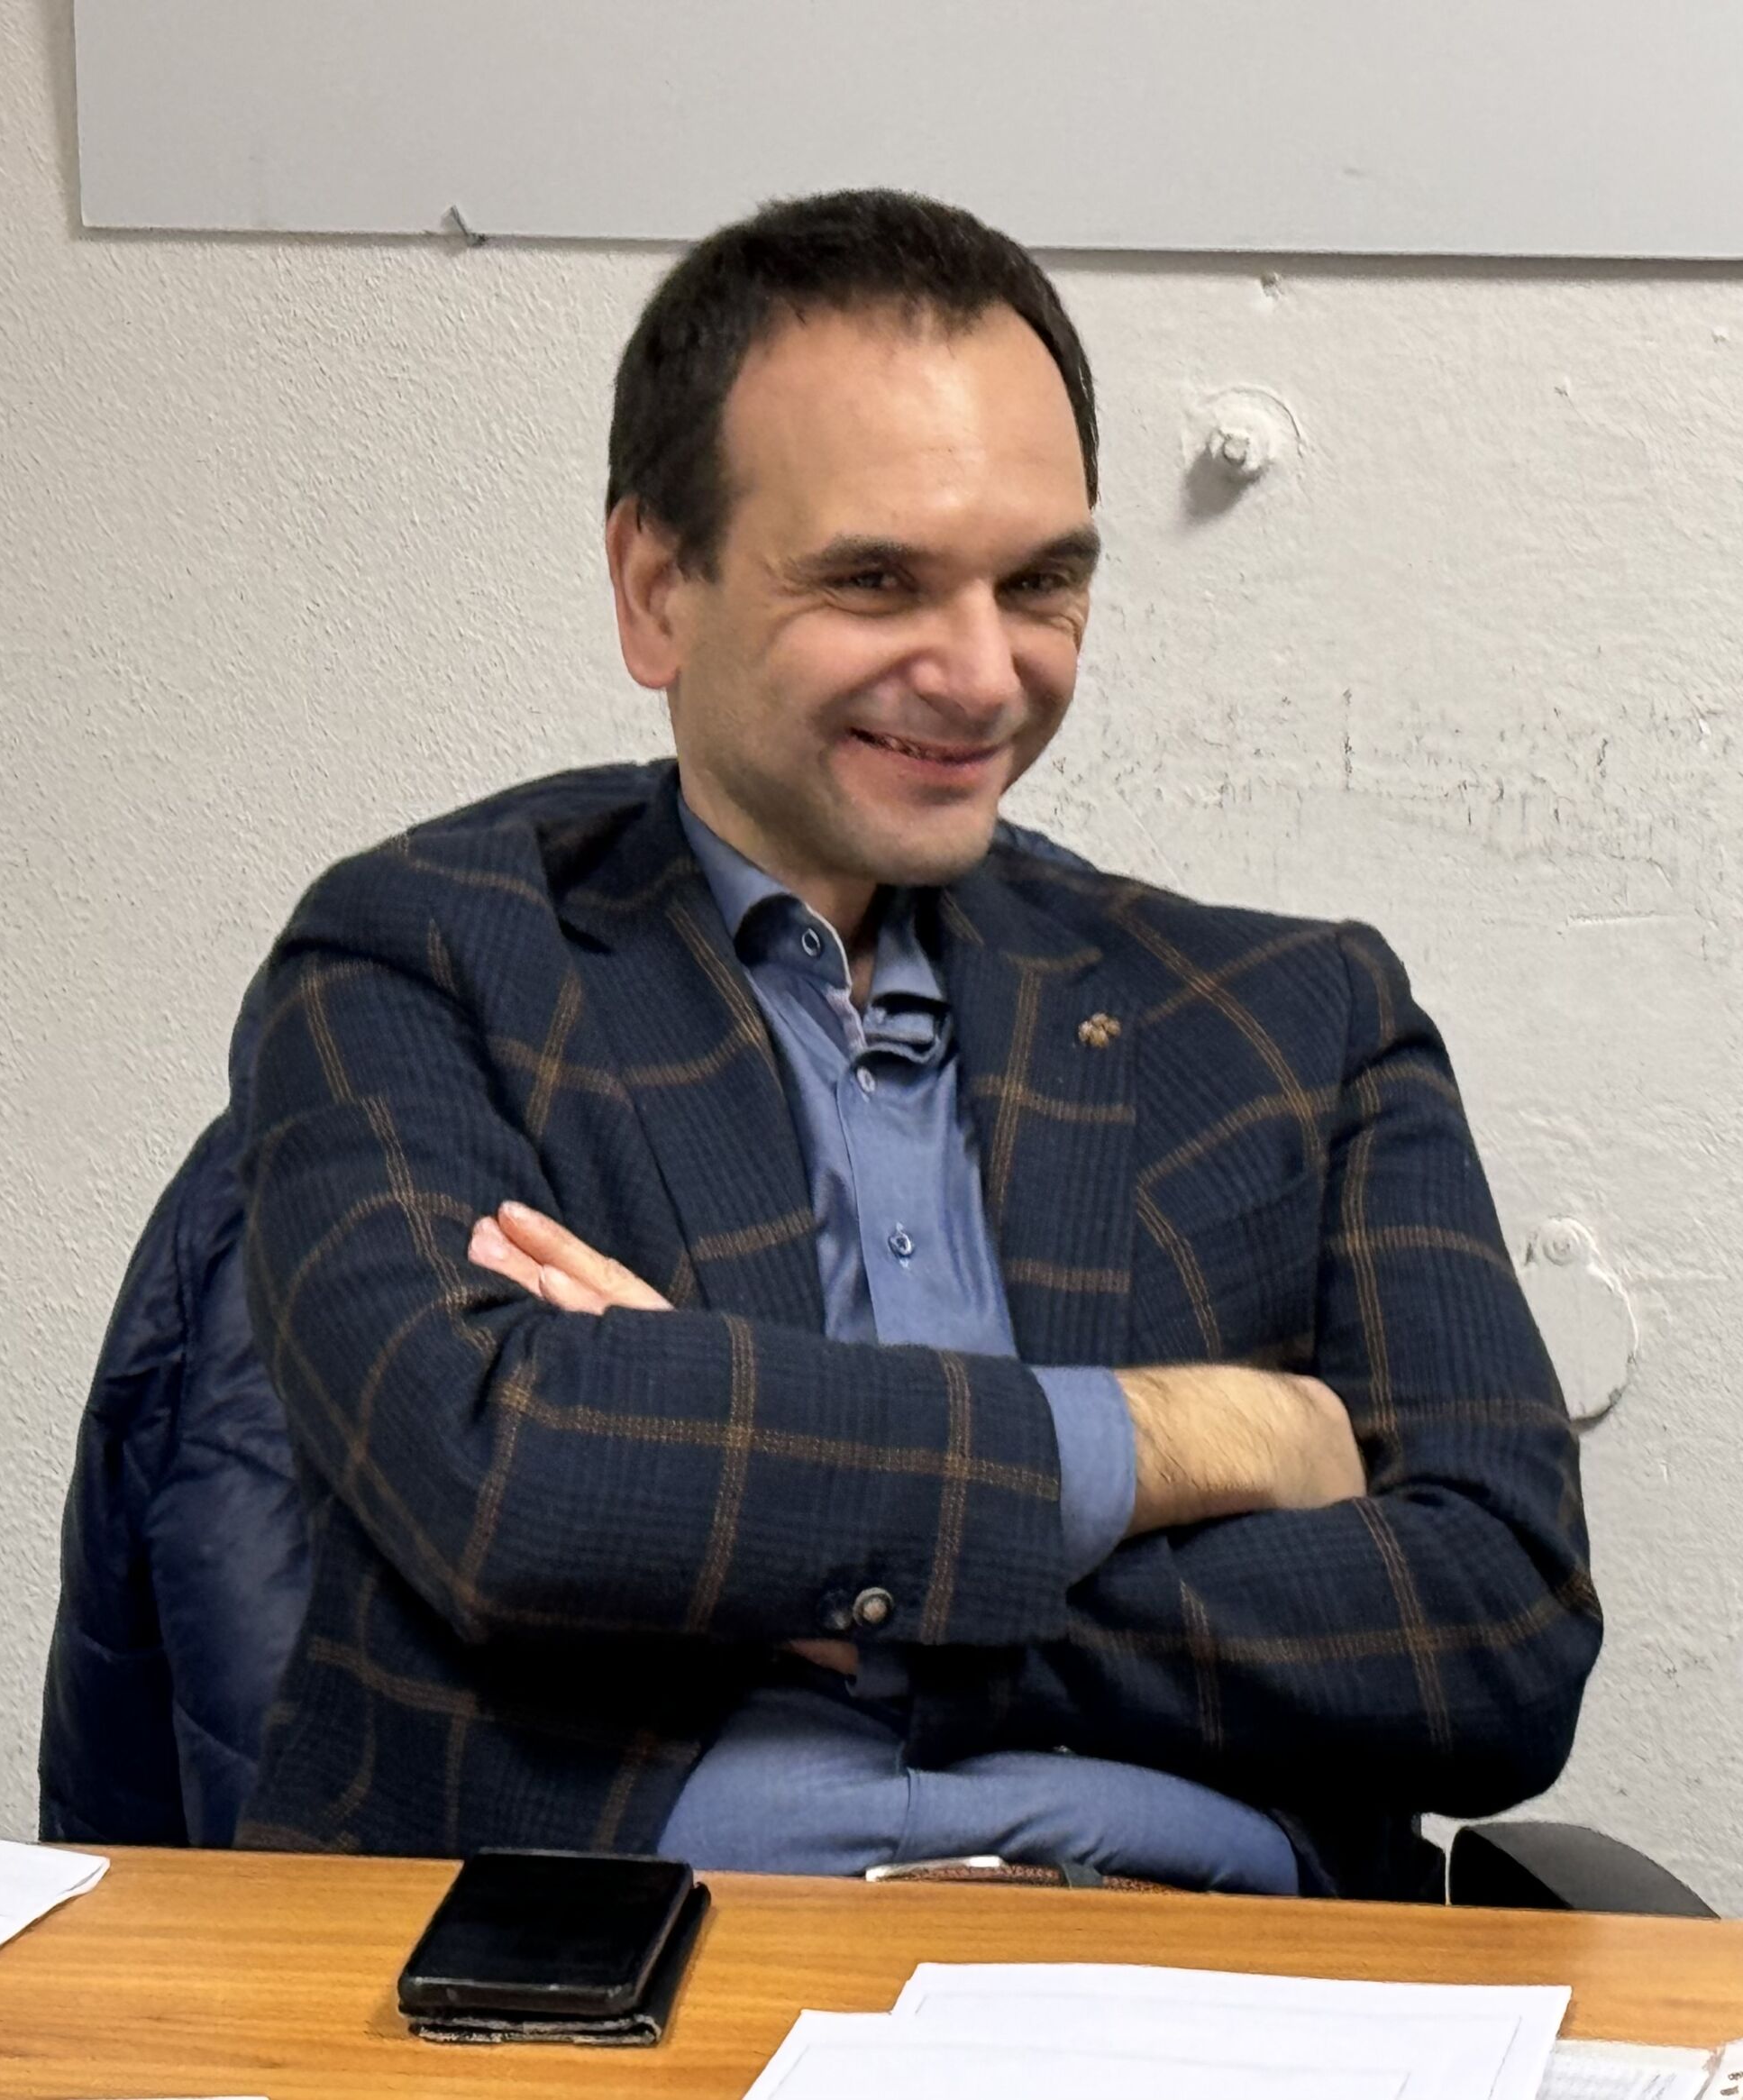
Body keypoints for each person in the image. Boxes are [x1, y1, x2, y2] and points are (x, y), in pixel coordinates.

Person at [233, 189, 1601, 1899]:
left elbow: (1500, 1631)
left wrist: (796, 1546)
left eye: (1039, 582)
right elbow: (510, 1485)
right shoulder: (425, 956)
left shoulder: (1300, 1020)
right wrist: (1192, 1437)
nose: (979, 674)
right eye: (877, 579)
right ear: (657, 588)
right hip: (633, 1977)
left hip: (1210, 1971)